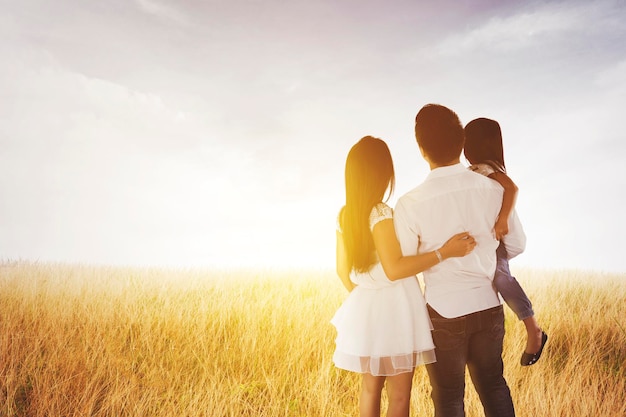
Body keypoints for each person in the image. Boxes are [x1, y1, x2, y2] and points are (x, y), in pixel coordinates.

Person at [393, 104, 526, 417]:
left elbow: (404, 266)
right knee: (494, 386)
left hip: (444, 311)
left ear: (421, 149)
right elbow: (517, 244)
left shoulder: (410, 203)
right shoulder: (493, 189)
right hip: (489, 307)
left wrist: (442, 255)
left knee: (450, 397)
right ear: (461, 142)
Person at [331, 136, 476, 417]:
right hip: (397, 308)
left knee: (369, 389)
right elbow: (394, 269)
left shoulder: (344, 215)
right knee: (399, 396)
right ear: (382, 173)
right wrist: (444, 252)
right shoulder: (380, 213)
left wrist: (369, 297)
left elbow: (341, 270)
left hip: (366, 307)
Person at [464, 117, 548, 366]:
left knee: (501, 278)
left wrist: (502, 220)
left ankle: (534, 330)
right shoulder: (473, 172)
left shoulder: (490, 170)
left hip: (495, 241)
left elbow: (512, 189)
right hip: (481, 241)